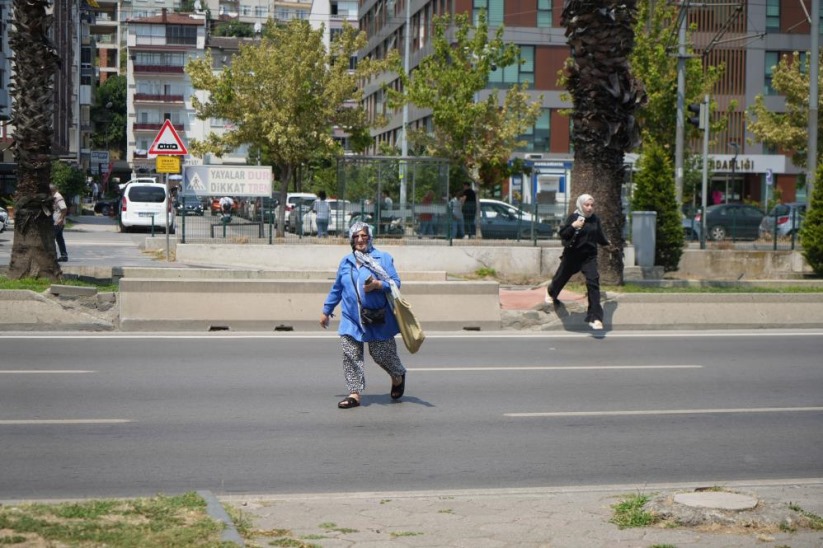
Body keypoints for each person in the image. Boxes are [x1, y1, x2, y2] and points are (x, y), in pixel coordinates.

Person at [320, 221, 407, 409]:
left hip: (378, 317)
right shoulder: (346, 261)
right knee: (350, 353)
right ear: (351, 240)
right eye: (356, 236)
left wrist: (378, 285)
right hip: (351, 318)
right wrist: (326, 310)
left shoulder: (382, 258)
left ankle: (397, 375)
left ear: (370, 237)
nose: (360, 239)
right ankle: (354, 394)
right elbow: (337, 288)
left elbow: (395, 283)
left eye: (364, 235)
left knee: (381, 355)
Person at [546, 193, 610, 330]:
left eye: (592, 205)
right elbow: (563, 234)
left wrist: (608, 244)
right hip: (572, 255)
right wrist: (573, 225)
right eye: (587, 205)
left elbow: (599, 235)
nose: (590, 208)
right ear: (581, 205)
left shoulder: (595, 220)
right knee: (561, 277)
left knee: (593, 282)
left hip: (589, 257)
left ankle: (595, 317)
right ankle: (552, 293)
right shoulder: (574, 217)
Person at [49, 184, 68, 263]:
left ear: (52, 191)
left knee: (51, 238)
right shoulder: (55, 197)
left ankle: (53, 256)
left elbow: (64, 209)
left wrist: (60, 219)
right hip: (57, 221)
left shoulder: (58, 197)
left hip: (57, 222)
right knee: (59, 238)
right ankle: (64, 255)